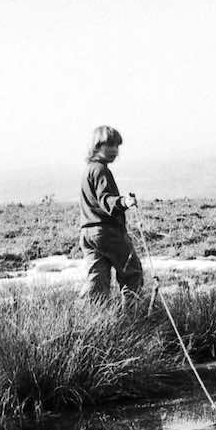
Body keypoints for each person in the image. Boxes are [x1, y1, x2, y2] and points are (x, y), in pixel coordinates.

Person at [78, 125, 143, 299]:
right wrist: (124, 202)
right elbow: (106, 200)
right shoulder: (101, 170)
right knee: (132, 272)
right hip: (107, 232)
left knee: (97, 280)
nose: (115, 150)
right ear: (97, 146)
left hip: (88, 234)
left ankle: (91, 317)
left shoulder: (89, 170)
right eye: (110, 145)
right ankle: (133, 316)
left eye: (117, 146)